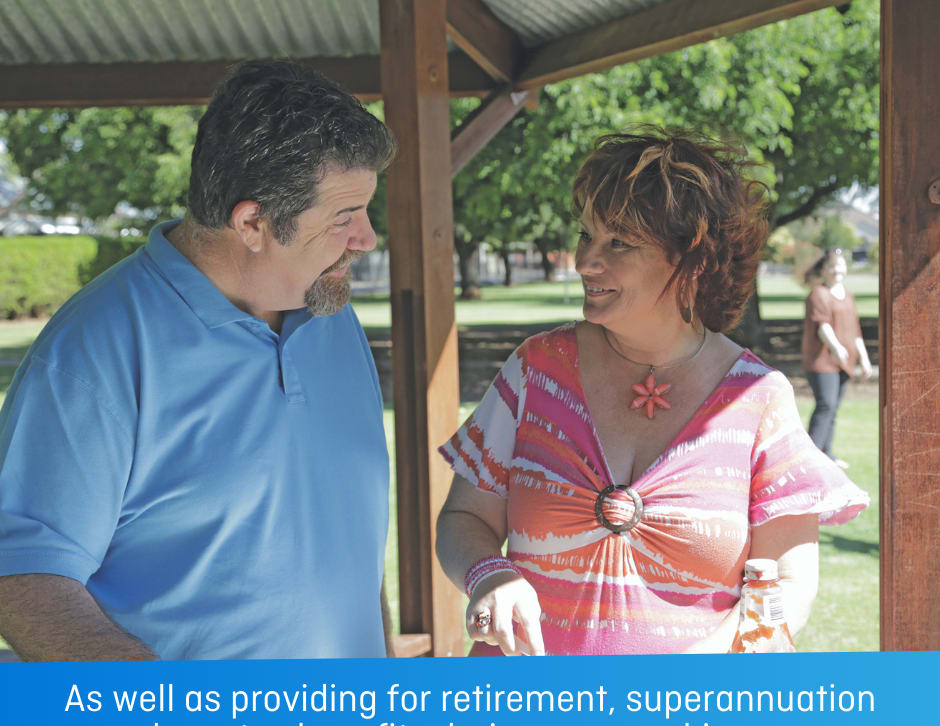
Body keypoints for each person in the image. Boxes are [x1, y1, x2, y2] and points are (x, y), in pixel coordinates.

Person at [0, 61, 397, 660]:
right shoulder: (93, 353)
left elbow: (345, 546)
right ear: (252, 222)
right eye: (345, 217)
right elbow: (22, 576)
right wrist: (166, 720)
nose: (367, 237)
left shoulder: (331, 317)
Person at [436, 130, 869, 656]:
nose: (585, 262)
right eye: (586, 235)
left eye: (618, 242)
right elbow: (464, 519)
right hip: (525, 720)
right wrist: (490, 575)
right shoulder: (536, 369)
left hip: (689, 724)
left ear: (695, 258)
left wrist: (680, 685)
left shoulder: (759, 398)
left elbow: (789, 584)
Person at [801, 248, 873, 467]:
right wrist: (837, 348)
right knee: (826, 404)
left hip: (844, 362)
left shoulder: (848, 296)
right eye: (832, 266)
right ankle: (810, 456)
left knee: (833, 408)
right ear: (824, 270)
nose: (836, 270)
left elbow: (855, 330)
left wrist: (865, 358)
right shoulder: (818, 294)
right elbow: (822, 326)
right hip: (822, 361)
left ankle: (827, 453)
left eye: (840, 265)